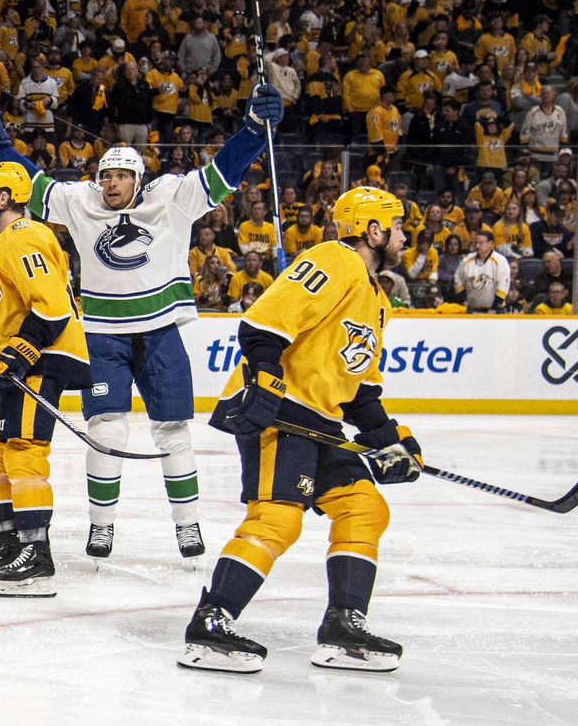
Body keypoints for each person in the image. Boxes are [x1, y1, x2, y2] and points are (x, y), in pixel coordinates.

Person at [0, 83, 285, 562]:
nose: (111, 183)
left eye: (121, 175)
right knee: (106, 431)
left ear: (139, 178)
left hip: (160, 331)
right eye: (106, 175)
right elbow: (32, 185)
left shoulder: (171, 195)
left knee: (173, 431)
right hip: (102, 336)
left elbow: (223, 173)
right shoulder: (82, 200)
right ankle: (102, 526)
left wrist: (254, 131)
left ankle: (188, 524)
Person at [179, 186, 418, 674]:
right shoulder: (335, 258)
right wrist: (266, 378)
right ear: (373, 230)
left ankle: (343, 627)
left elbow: (358, 391)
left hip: (321, 421)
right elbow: (262, 326)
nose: (403, 236)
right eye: (396, 226)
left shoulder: (378, 299)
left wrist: (392, 440)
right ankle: (211, 623)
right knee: (276, 519)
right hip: (281, 412)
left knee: (363, 507)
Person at [0, 161, 91, 598]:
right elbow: (5, 305)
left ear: (3, 197)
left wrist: (24, 347)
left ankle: (37, 554)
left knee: (23, 449)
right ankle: (8, 543)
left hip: (39, 359)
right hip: (10, 361)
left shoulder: (25, 235)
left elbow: (52, 306)